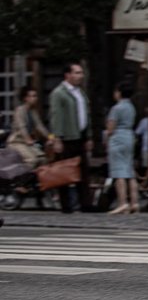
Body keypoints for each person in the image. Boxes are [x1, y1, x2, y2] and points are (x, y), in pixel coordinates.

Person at [48, 62, 93, 213]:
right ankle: (66, 205)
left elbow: (86, 114)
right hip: (66, 136)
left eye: (81, 73)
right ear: (68, 75)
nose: (80, 76)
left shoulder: (80, 92)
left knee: (83, 171)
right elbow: (56, 117)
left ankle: (85, 203)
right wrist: (57, 138)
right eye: (77, 73)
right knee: (64, 172)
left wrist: (89, 136)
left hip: (79, 135)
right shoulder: (59, 93)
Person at [104, 82, 139, 215]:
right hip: (129, 136)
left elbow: (110, 127)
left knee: (119, 172)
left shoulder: (116, 108)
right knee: (129, 171)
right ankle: (134, 202)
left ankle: (122, 202)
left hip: (118, 138)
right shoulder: (131, 107)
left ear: (119, 93)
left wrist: (106, 137)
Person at [8, 86, 52, 168]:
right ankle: (23, 178)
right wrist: (28, 139)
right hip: (17, 142)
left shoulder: (33, 111)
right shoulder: (19, 111)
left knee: (43, 159)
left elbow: (40, 126)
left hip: (28, 143)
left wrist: (51, 137)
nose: (35, 98)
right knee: (32, 160)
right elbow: (22, 127)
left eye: (36, 96)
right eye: (33, 96)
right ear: (26, 98)